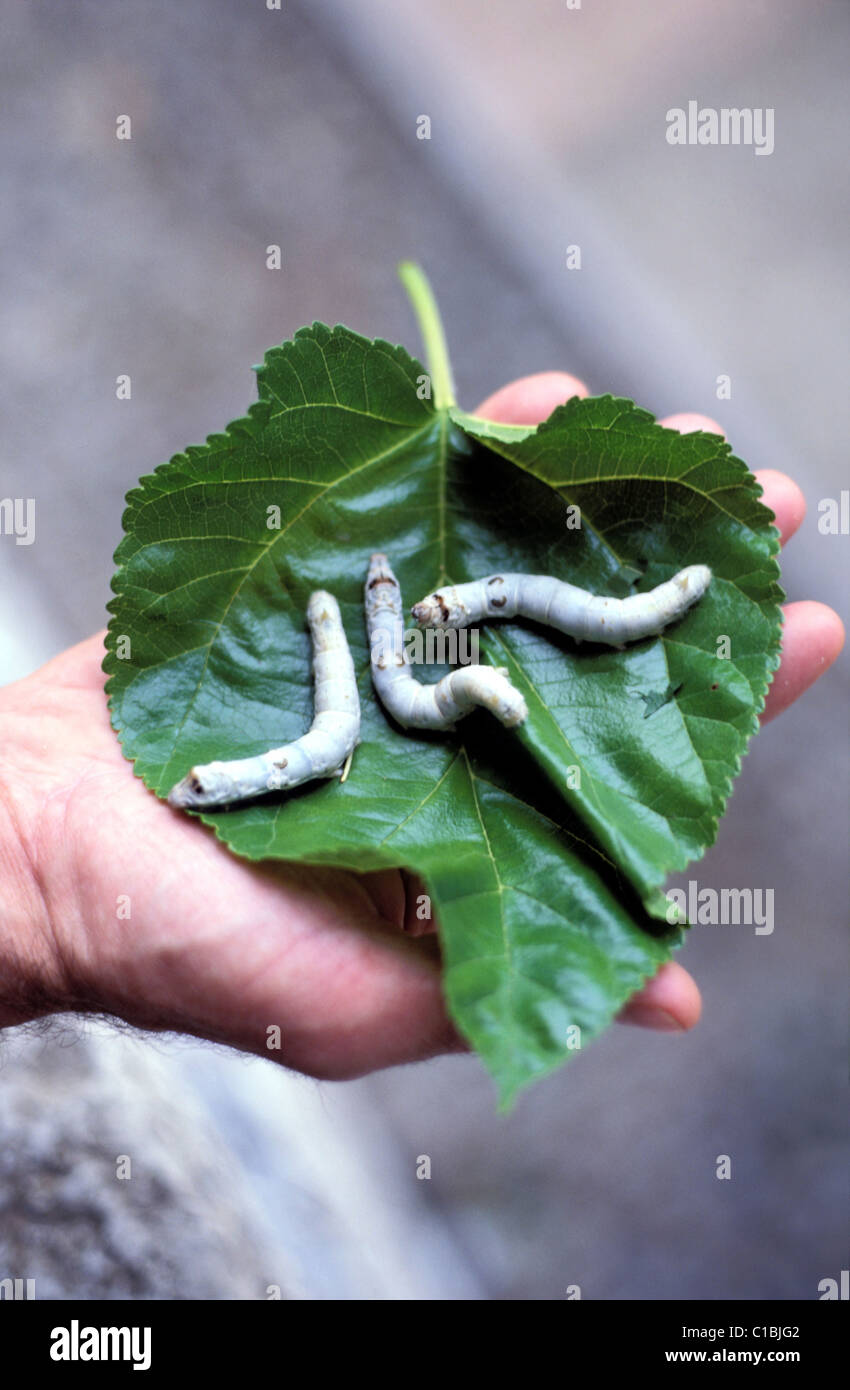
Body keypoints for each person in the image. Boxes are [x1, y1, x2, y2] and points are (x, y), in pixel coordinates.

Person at [0, 372, 843, 1080]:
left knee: (551, 631)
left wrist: (37, 858)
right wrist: (33, 863)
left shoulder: (442, 661)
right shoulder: (412, 675)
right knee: (418, 692)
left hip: (417, 681)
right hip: (402, 687)